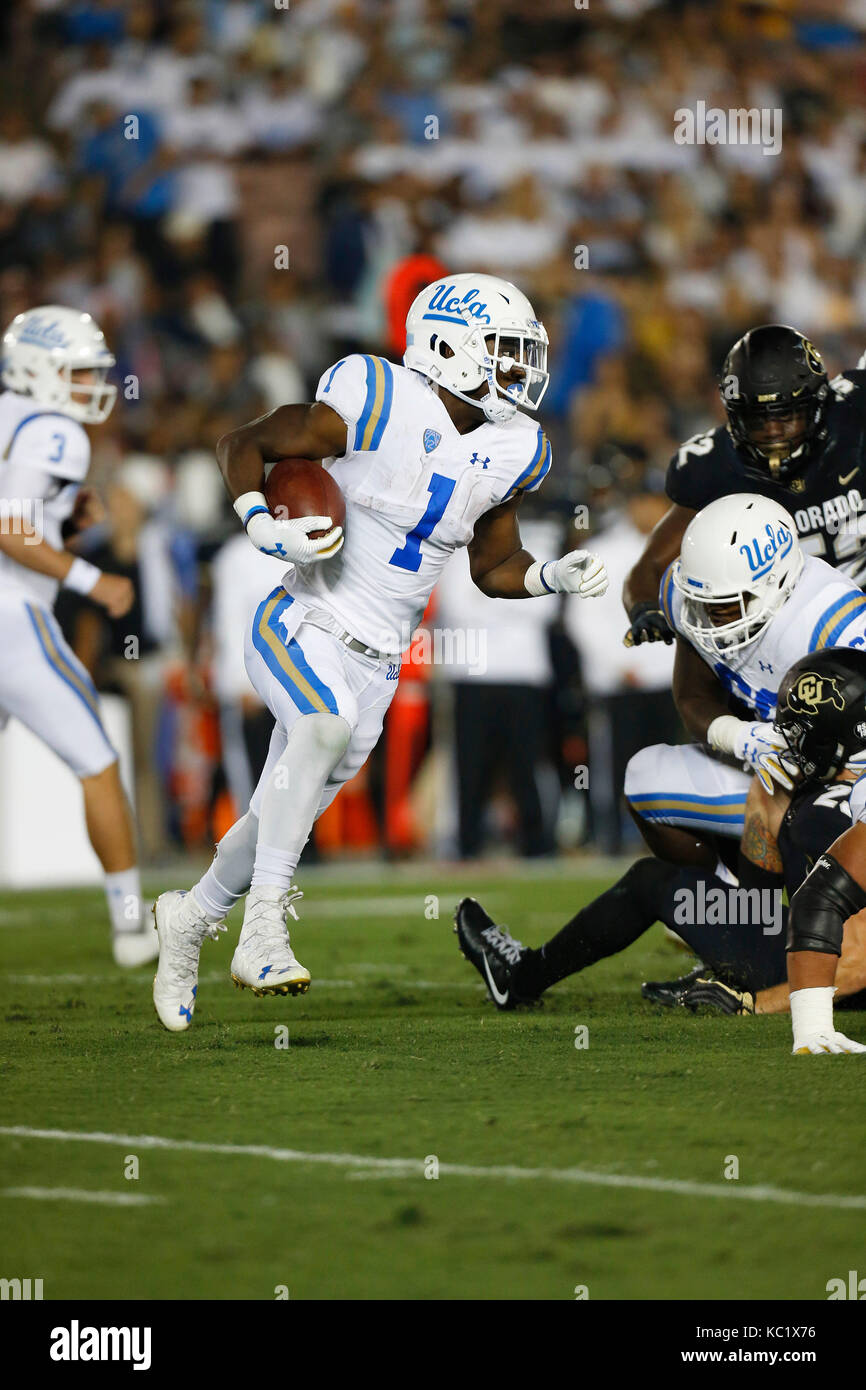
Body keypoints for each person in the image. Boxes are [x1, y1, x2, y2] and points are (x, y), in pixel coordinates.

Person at [152, 272, 608, 1032]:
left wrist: (549, 575)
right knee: (319, 727)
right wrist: (263, 525)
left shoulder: (516, 447)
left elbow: (494, 566)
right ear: (447, 346)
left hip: (379, 661)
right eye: (502, 349)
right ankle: (264, 926)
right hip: (302, 619)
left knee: (276, 813)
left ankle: (189, 921)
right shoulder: (378, 395)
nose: (519, 367)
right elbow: (246, 443)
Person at [453, 647, 866, 1060]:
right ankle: (732, 966)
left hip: (836, 975)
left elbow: (859, 961)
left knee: (652, 881)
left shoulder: (851, 804)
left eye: (802, 728)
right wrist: (744, 922)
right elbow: (769, 878)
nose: (788, 737)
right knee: (744, 824)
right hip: (810, 949)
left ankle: (522, 977)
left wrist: (754, 1004)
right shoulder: (823, 781)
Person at [0, 305, 156, 965]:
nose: (93, 383)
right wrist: (94, 581)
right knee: (97, 762)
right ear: (38, 367)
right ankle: (130, 927)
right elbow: (9, 530)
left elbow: (22, 515)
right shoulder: (54, 429)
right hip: (11, 616)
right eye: (78, 370)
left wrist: (64, 519)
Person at [623, 492, 866, 871]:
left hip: (847, 781)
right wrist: (742, 738)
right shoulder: (693, 597)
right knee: (645, 775)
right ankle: (730, 910)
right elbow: (692, 696)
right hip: (770, 769)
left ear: (777, 581)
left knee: (817, 824)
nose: (708, 616)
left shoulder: (834, 621)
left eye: (726, 604)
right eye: (702, 601)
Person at [623, 325, 866, 647]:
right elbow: (650, 566)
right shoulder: (711, 468)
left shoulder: (855, 414)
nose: (773, 432)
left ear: (819, 403)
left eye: (786, 415)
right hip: (787, 638)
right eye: (758, 419)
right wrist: (644, 608)